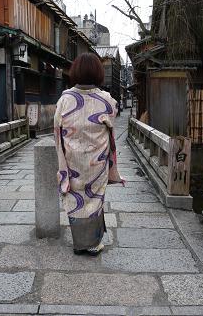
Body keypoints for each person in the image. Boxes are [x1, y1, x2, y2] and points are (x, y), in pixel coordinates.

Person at [54, 53, 124, 256]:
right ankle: (92, 244)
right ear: (98, 73)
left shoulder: (65, 99)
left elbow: (57, 131)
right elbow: (112, 126)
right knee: (94, 200)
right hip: (97, 161)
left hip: (72, 161)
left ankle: (79, 243)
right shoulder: (106, 100)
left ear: (75, 71)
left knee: (76, 200)